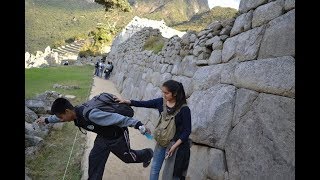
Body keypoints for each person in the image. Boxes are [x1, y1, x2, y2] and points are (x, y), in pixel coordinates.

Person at [35, 97, 154, 180]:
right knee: (94, 160)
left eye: (61, 117)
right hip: (103, 138)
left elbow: (120, 119)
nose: (61, 120)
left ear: (67, 111)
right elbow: (57, 117)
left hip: (117, 136)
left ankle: (148, 154)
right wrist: (46, 120)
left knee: (128, 158)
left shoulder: (91, 114)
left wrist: (138, 125)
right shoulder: (75, 113)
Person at [115, 80, 192, 180]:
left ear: (175, 93)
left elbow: (187, 131)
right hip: (161, 142)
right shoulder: (161, 102)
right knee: (155, 169)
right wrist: (127, 101)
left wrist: (174, 146)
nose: (164, 95)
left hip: (176, 146)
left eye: (166, 93)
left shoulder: (184, 109)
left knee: (171, 174)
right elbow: (144, 103)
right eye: (163, 92)